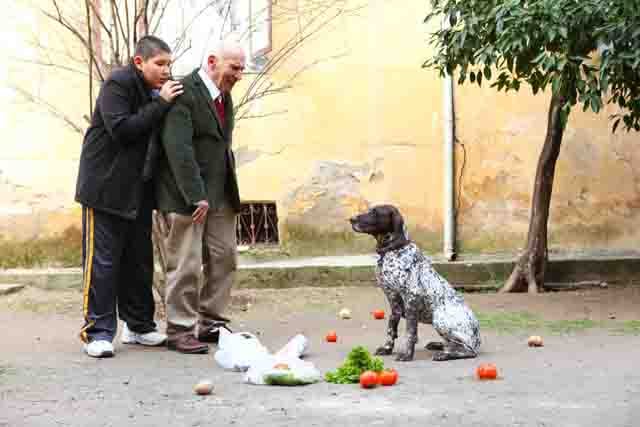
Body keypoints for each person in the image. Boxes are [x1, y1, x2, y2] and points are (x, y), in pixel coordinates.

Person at [75, 35, 183, 358]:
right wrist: (160, 104)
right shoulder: (117, 85)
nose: (166, 71)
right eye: (159, 64)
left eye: (169, 64)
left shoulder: (157, 91)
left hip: (139, 190)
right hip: (104, 189)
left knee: (138, 261)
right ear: (139, 62)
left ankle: (138, 326)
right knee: (103, 263)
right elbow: (121, 130)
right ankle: (97, 332)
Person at [155, 37, 245, 354]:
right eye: (234, 67)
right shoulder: (183, 93)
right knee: (187, 263)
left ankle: (212, 322)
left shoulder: (224, 96)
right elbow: (178, 149)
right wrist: (196, 195)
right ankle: (179, 329)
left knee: (225, 257)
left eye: (242, 68)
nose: (239, 74)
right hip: (185, 195)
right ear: (211, 62)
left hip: (220, 193)